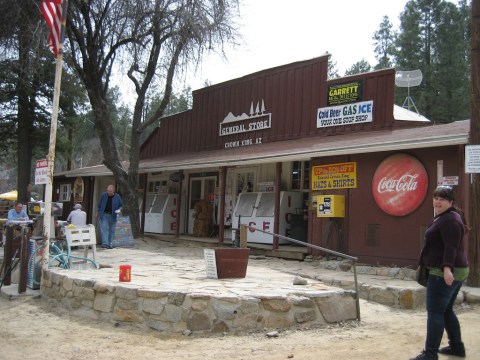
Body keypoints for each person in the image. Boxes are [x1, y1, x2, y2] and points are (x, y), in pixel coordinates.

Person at [410, 186, 469, 360]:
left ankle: (430, 354)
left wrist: (447, 269)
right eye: (436, 198)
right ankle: (456, 347)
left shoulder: (450, 220)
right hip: (453, 270)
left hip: (442, 272)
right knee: (446, 310)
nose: (437, 202)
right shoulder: (445, 217)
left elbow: (451, 246)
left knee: (435, 311)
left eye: (442, 199)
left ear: (451, 202)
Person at [97, 185, 123, 249]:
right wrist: (98, 212)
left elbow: (121, 205)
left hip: (113, 215)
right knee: (104, 228)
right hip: (104, 214)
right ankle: (105, 243)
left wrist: (119, 210)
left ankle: (110, 243)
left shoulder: (117, 196)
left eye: (110, 191)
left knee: (112, 230)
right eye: (108, 191)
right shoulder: (103, 195)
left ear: (113, 191)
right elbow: (99, 204)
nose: (109, 192)